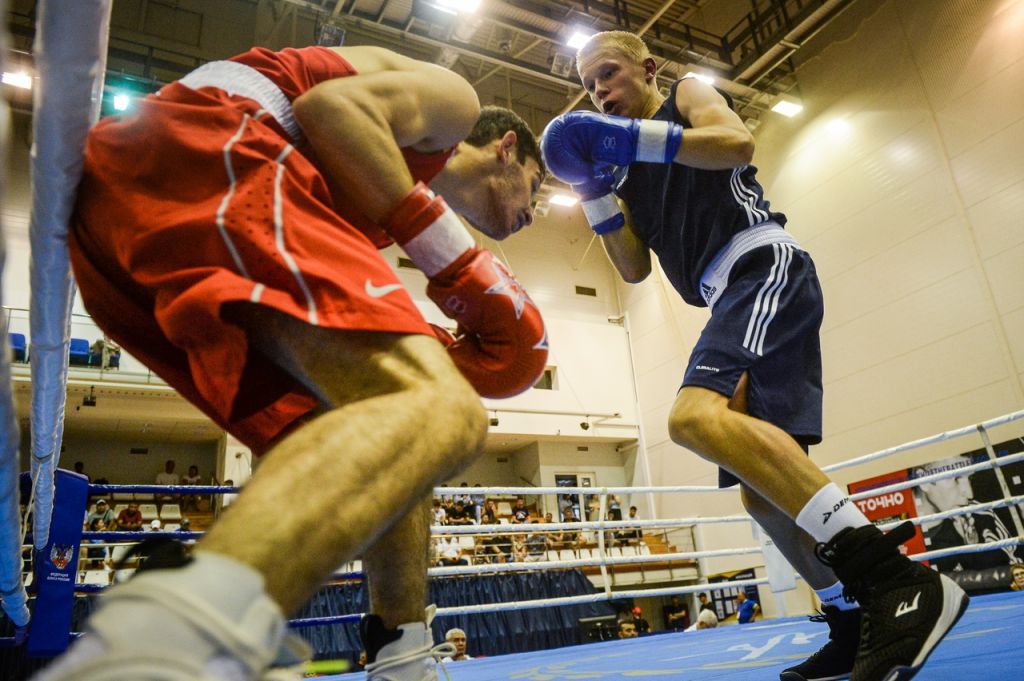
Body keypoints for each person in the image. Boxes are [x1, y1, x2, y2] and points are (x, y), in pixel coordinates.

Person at [41, 43, 547, 681]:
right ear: (505, 148)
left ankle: (403, 653)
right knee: (443, 408)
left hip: (128, 218)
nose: (534, 210)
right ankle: (160, 647)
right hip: (210, 146)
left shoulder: (368, 203)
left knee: (387, 435)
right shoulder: (452, 105)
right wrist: (455, 261)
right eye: (536, 183)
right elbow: (329, 105)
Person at [541, 29, 968, 681]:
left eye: (608, 73)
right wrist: (593, 187)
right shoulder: (619, 170)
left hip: (762, 264)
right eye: (589, 83)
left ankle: (899, 580)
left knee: (690, 418)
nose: (598, 89)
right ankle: (851, 622)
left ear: (646, 67)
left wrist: (632, 139)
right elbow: (629, 267)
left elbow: (736, 143)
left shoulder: (683, 95)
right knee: (761, 494)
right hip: (726, 295)